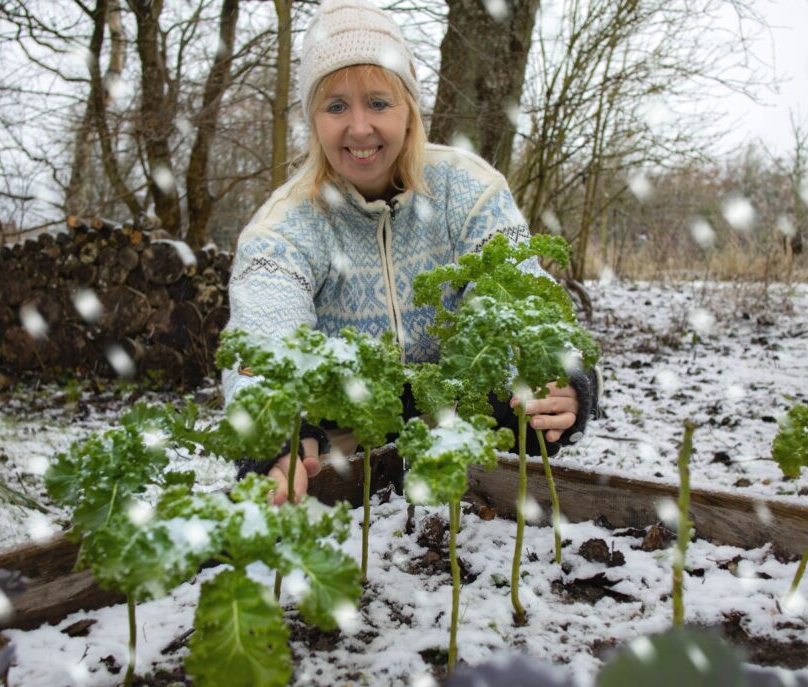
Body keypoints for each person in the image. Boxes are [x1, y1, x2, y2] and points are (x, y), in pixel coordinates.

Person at [223, 0, 601, 504]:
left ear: (409, 106)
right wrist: (275, 437)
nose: (359, 128)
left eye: (378, 102)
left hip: (457, 433)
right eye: (336, 106)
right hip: (342, 448)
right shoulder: (284, 227)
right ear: (313, 119)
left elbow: (522, 296)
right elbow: (262, 337)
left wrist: (563, 373)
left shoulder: (469, 187)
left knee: (526, 404)